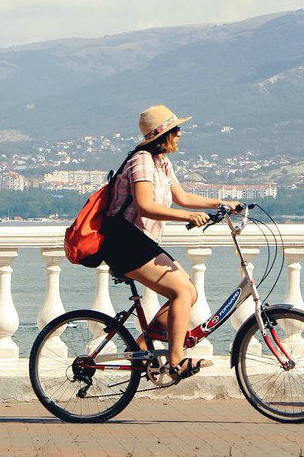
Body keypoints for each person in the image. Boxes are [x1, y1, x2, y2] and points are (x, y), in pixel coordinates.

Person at [99, 104, 242, 381]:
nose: (180, 135)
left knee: (188, 292)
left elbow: (183, 197)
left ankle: (143, 346)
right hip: (124, 242)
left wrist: (223, 203)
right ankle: (176, 362)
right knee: (181, 292)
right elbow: (144, 206)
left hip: (140, 242)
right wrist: (188, 217)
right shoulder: (141, 160)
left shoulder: (161, 161)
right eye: (176, 130)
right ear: (161, 134)